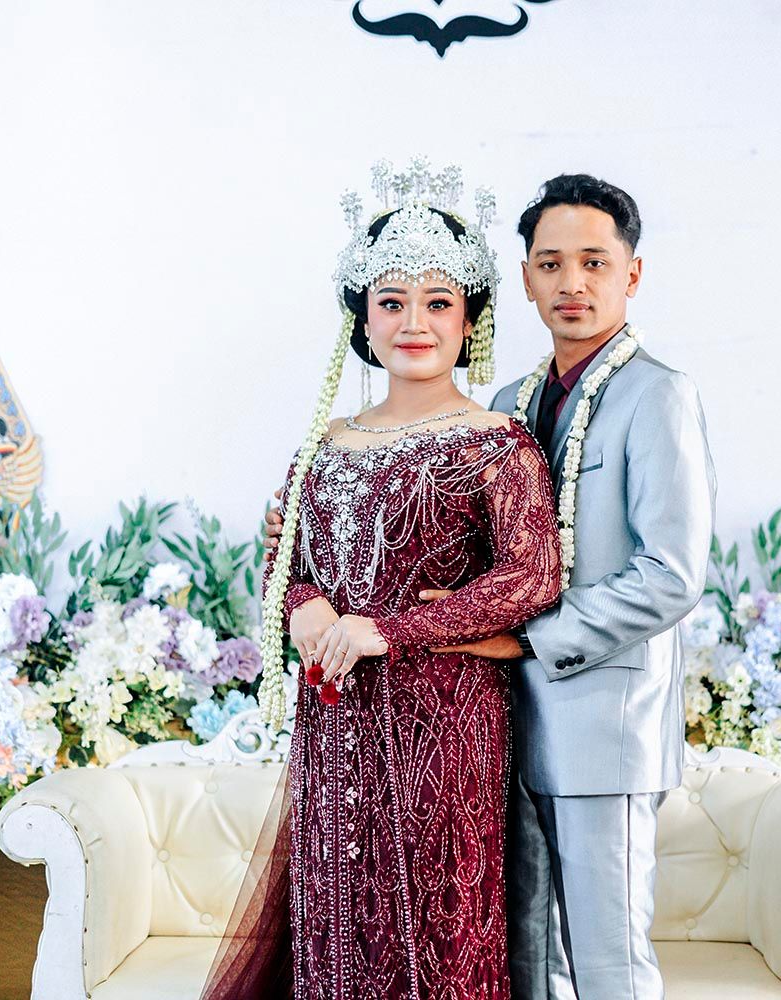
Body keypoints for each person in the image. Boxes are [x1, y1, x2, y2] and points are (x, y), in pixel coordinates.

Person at [266, 173, 717, 1000]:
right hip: (498, 717)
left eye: (593, 261)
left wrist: (522, 635)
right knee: (528, 962)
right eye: (551, 264)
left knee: (609, 959)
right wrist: (309, 565)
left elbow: (672, 573)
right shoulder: (513, 399)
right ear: (522, 280)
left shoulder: (658, 395)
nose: (572, 283)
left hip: (599, 718)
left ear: (632, 273)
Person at [206, 160, 561, 1000]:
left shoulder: (495, 444)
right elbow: (285, 564)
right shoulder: (323, 444)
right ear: (362, 319)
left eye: (437, 303)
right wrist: (306, 611)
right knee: (338, 907)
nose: (414, 323)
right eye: (392, 303)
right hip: (337, 723)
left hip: (449, 722)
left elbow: (531, 577)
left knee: (436, 917)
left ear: (468, 318)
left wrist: (388, 628)